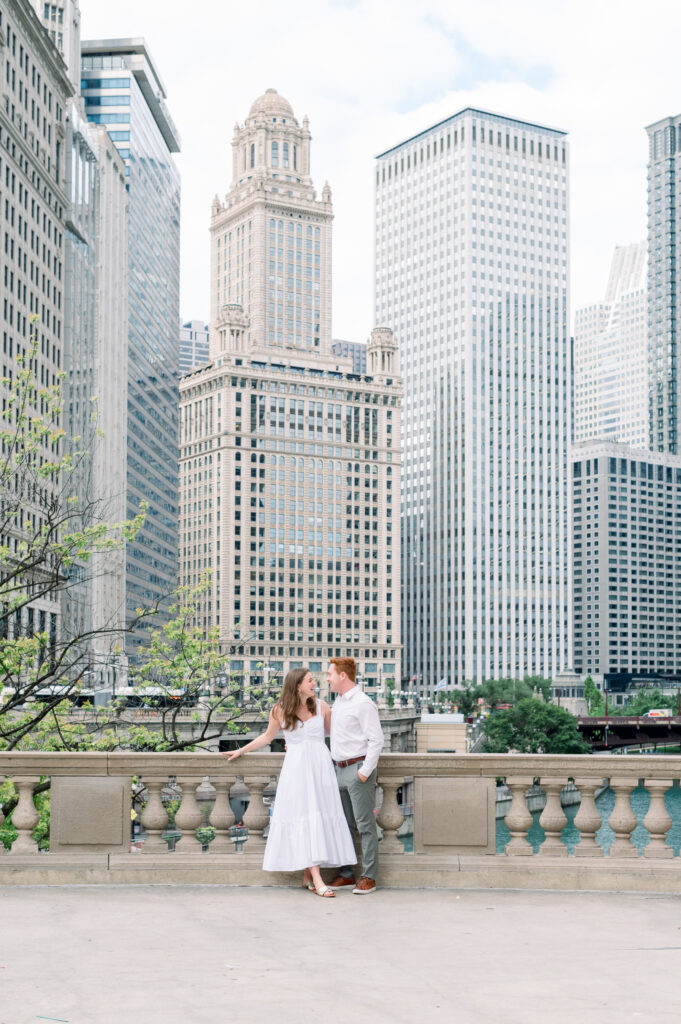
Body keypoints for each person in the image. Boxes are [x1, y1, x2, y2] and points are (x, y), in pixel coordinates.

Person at [224, 667, 356, 898]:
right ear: (297, 685)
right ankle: (317, 879)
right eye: (310, 680)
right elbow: (267, 736)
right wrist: (241, 750)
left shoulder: (322, 707)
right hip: (296, 769)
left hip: (320, 768)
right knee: (303, 816)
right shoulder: (279, 710)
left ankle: (308, 877)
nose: (314, 683)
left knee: (316, 817)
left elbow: (335, 734)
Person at [327, 657, 384, 894]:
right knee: (344, 826)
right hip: (338, 769)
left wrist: (363, 772)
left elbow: (376, 739)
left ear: (342, 676)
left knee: (365, 825)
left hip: (356, 769)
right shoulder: (339, 702)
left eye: (330, 674)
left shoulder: (363, 703)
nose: (327, 679)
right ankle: (347, 874)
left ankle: (369, 877)